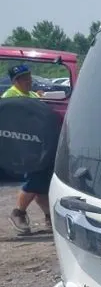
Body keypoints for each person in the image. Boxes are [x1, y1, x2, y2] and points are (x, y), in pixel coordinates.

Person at [3, 64, 52, 235]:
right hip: (24, 146)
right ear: (15, 81)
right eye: (24, 78)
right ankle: (18, 212)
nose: (29, 81)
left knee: (42, 184)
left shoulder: (30, 94)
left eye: (29, 77)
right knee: (36, 180)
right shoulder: (9, 97)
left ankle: (49, 217)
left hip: (38, 144)